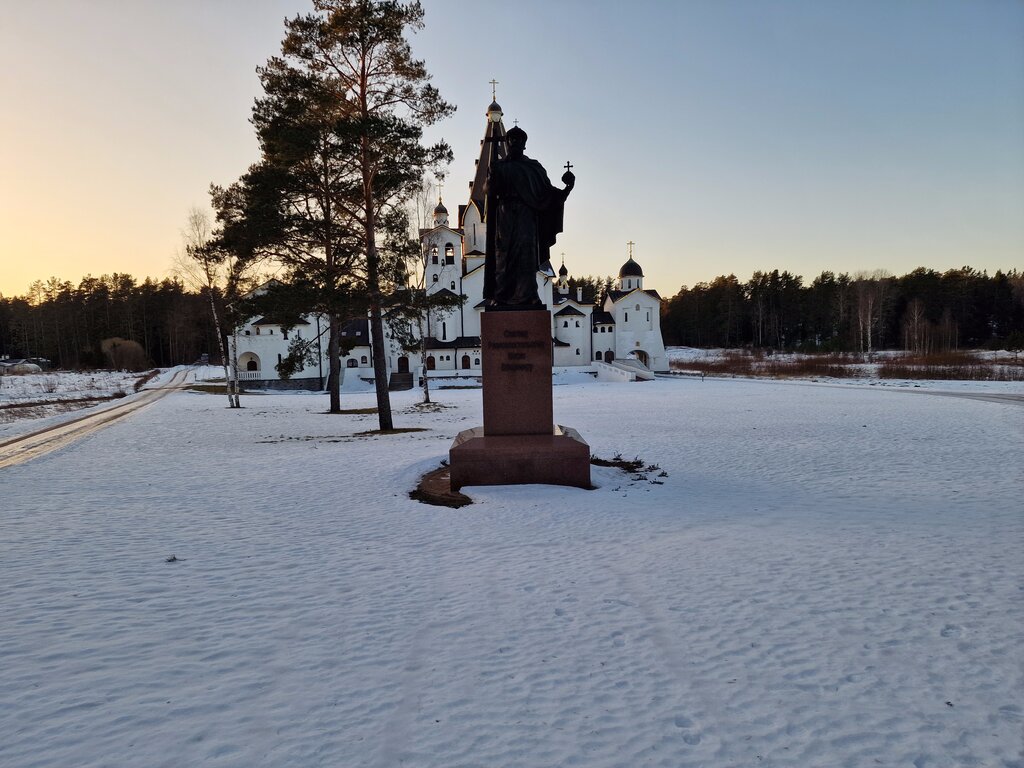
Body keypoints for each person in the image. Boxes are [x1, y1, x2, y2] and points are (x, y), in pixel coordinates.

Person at [484, 125, 574, 307]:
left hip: (526, 215)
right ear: (508, 144)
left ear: (524, 144)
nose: (515, 143)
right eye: (512, 140)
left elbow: (548, 193)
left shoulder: (533, 167)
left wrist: (567, 189)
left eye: (519, 140)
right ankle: (501, 296)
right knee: (504, 254)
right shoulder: (499, 166)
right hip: (505, 214)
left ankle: (529, 295)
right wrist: (492, 176)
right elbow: (489, 191)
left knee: (527, 253)